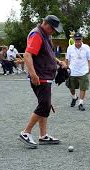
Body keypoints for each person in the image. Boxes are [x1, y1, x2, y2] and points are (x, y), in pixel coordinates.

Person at [18, 15, 66, 148]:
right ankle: (26, 132)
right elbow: (27, 55)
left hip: (46, 75)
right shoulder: (37, 35)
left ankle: (43, 136)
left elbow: (48, 53)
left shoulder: (45, 35)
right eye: (52, 29)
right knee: (44, 105)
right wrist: (33, 74)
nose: (53, 32)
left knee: (45, 105)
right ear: (46, 25)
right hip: (40, 76)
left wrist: (58, 62)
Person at [65, 32, 90, 111]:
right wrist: (66, 68)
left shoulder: (86, 47)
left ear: (82, 39)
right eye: (76, 39)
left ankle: (81, 103)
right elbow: (67, 59)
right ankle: (74, 97)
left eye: (79, 39)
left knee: (83, 87)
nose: (78, 41)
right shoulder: (70, 48)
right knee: (71, 87)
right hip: (72, 71)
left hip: (83, 71)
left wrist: (89, 68)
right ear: (74, 39)